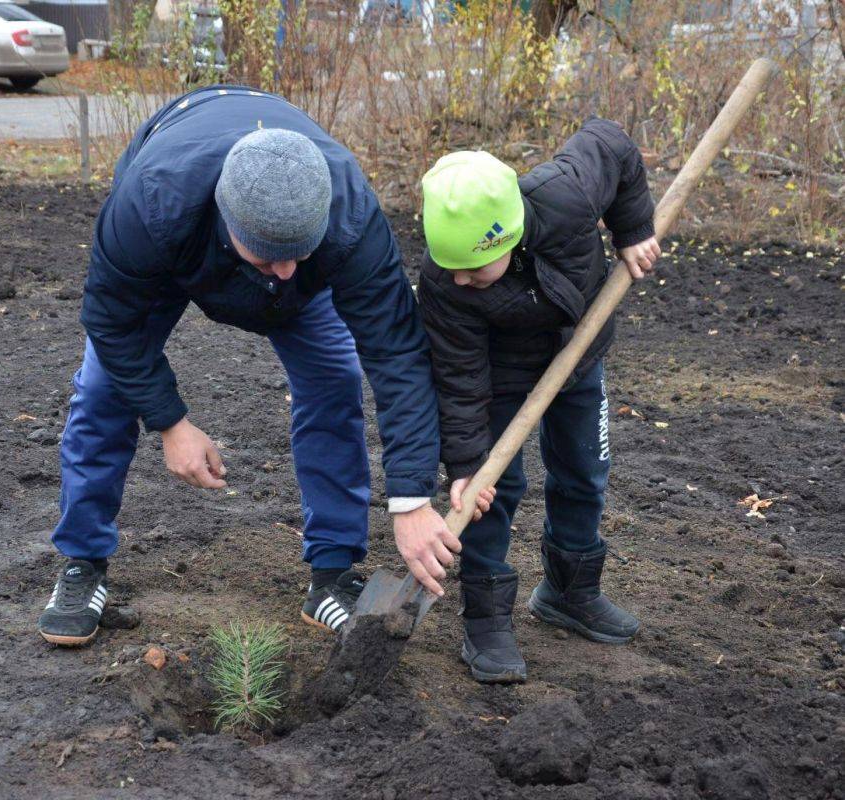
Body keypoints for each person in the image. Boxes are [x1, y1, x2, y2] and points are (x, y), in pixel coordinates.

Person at [37, 86, 469, 646]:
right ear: (229, 221)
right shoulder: (152, 201)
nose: (286, 272)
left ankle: (331, 573)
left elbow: (397, 355)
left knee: (334, 378)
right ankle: (82, 562)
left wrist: (411, 499)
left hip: (292, 241)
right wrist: (170, 422)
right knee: (103, 388)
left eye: (299, 254)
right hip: (177, 253)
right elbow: (111, 322)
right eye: (269, 256)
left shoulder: (348, 216)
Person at [417, 118, 661, 683]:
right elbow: (458, 379)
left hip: (578, 353)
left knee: (583, 471)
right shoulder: (444, 283)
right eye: (451, 269)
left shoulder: (567, 193)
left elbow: (614, 144)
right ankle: (485, 619)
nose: (459, 281)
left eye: (473, 270)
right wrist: (464, 466)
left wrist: (632, 228)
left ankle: (569, 592)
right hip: (499, 376)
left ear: (503, 235)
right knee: (489, 491)